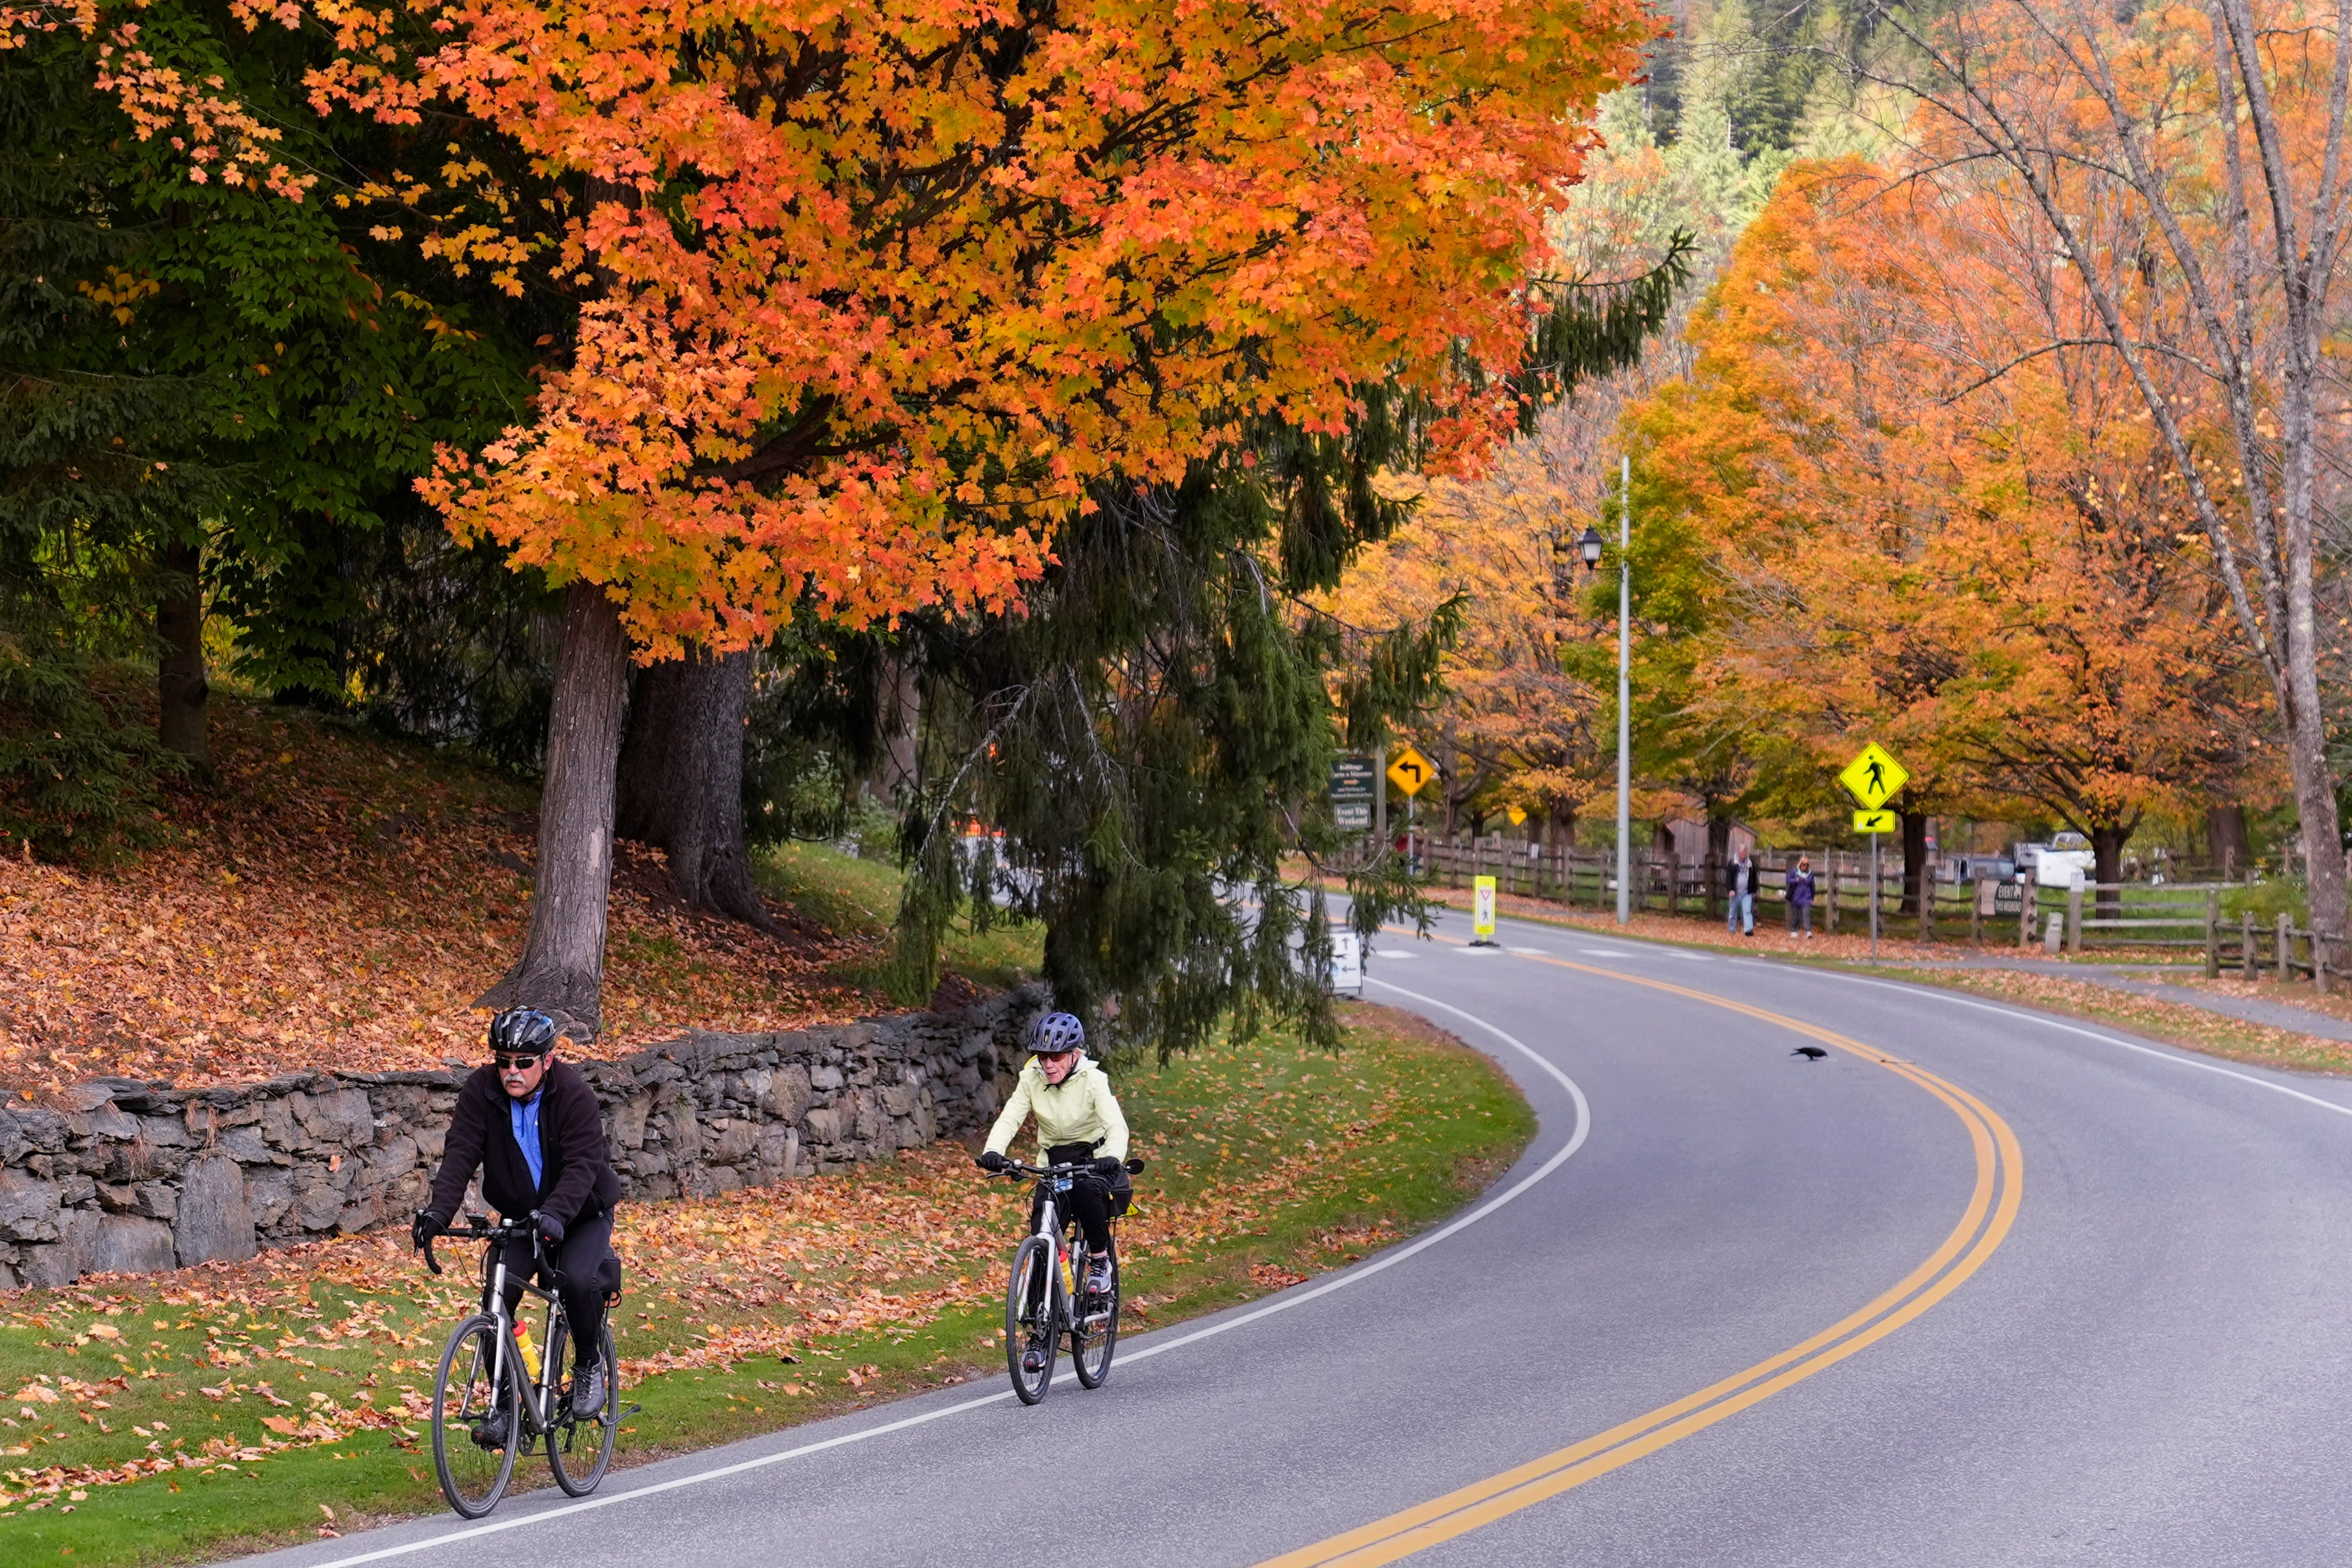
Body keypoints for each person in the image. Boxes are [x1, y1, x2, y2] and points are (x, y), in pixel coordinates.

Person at [413, 1007, 623, 1436]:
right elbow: (460, 1154)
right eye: (503, 1061)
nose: (512, 1071)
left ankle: (587, 1364)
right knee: (496, 1301)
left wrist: (556, 1215)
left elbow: (584, 1165)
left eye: (523, 1062)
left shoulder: (574, 1095)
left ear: (547, 1060)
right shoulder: (481, 1091)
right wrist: (438, 1212)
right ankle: (504, 1408)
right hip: (521, 1216)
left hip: (581, 1212)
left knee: (578, 1281)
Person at [976, 1012, 1130, 1365]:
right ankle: (1039, 1335)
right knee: (1041, 1240)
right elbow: (1012, 1115)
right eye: (1043, 1056)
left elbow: (1116, 1126)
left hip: (1090, 1159)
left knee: (1088, 1194)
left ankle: (1099, 1263)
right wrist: (993, 1152)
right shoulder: (1031, 1077)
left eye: (1056, 1056)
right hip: (1052, 1163)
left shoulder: (1093, 1080)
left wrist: (1112, 1157)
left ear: (1075, 1054)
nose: (1048, 1064)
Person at [1725, 846, 1756, 937]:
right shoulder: (1733, 863)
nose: (1743, 856)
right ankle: (1732, 929)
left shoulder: (1750, 864)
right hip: (1735, 892)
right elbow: (1729, 878)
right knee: (1733, 911)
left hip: (1747, 892)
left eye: (1744, 854)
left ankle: (1748, 930)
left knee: (1747, 911)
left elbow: (1754, 878)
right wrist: (1731, 889)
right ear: (1738, 852)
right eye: (1741, 854)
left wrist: (1754, 890)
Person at [1787, 855, 1816, 938]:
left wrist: (1813, 895)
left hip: (1806, 897)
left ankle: (1808, 931)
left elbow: (1812, 885)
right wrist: (1796, 880)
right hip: (1796, 896)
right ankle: (1794, 930)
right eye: (1804, 864)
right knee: (1795, 915)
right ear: (1800, 864)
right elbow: (1789, 879)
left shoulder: (1810, 873)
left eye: (1807, 865)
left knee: (1806, 914)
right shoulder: (1795, 872)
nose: (1805, 866)